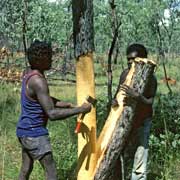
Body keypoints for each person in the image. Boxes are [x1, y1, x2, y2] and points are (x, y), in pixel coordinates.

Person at [16, 40, 92, 180]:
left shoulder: (29, 74)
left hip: (24, 130)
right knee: (51, 172)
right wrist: (81, 109)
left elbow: (43, 98)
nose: (51, 59)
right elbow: (52, 114)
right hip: (35, 133)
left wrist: (68, 105)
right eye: (48, 56)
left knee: (26, 168)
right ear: (40, 59)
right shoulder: (39, 81)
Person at [112, 43, 157, 180]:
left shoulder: (151, 78)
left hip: (143, 121)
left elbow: (150, 102)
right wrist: (114, 101)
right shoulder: (125, 74)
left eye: (134, 59)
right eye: (129, 59)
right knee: (117, 153)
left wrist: (138, 97)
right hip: (125, 120)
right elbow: (118, 94)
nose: (131, 62)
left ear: (143, 59)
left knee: (140, 156)